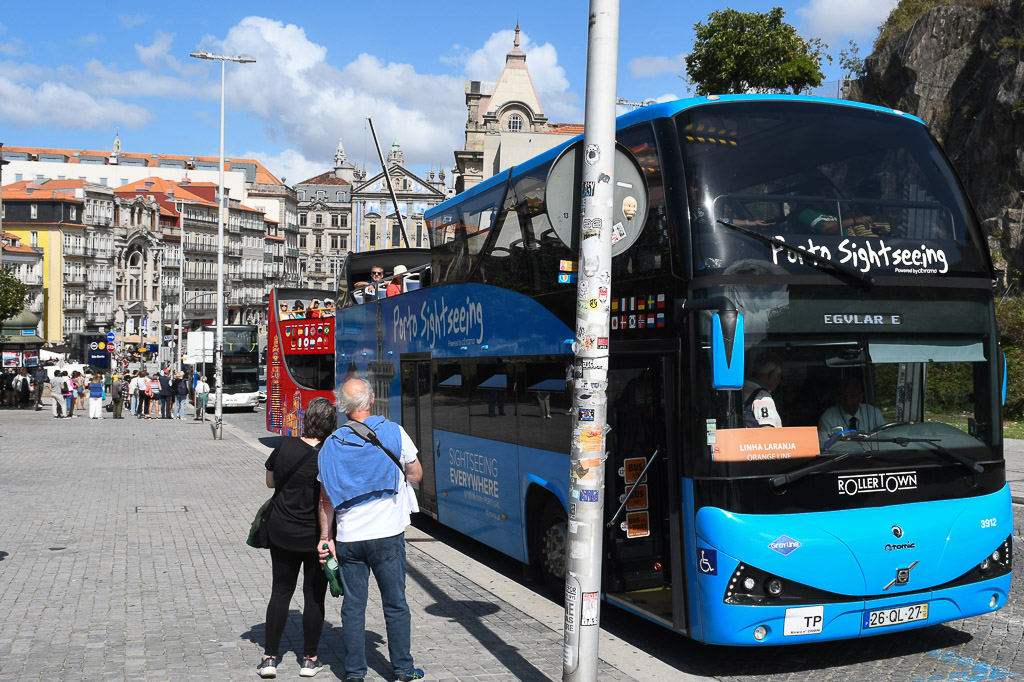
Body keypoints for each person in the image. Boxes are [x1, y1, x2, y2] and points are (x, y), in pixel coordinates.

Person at [318, 379, 425, 682]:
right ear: (373, 400)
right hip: (388, 535)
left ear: (343, 406)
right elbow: (416, 473)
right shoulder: (393, 431)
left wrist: (326, 538)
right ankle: (403, 669)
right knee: (395, 604)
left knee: (353, 608)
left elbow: (325, 499)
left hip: (349, 538)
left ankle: (354, 673)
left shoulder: (332, 444)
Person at [257, 398, 338, 679]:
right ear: (331, 424)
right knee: (314, 596)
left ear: (306, 419)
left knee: (280, 592)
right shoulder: (331, 453)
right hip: (317, 535)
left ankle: (269, 658)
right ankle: (309, 659)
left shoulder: (285, 446)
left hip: (282, 532)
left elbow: (271, 482)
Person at [818, 378, 885, 444]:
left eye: (853, 397)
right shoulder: (828, 418)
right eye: (844, 397)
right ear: (838, 398)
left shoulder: (873, 413)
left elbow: (884, 437)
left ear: (860, 397)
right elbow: (823, 446)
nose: (848, 402)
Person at [742, 352, 784, 428]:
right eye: (780, 377)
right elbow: (767, 429)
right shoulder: (762, 396)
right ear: (772, 375)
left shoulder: (740, 388)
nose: (779, 381)